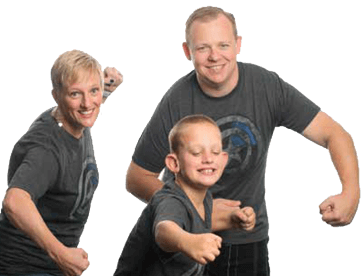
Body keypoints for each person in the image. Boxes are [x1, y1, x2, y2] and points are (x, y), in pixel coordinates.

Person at [125, 6, 360, 276]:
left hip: (247, 238)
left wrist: (351, 192)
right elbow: (137, 177)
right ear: (187, 52)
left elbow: (336, 134)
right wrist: (196, 210)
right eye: (202, 48)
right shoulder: (177, 99)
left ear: (238, 45)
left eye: (223, 45)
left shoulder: (265, 86)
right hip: (185, 238)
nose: (214, 56)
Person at [0, 49, 124, 276]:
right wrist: (61, 253)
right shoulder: (47, 149)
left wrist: (106, 88)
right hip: (20, 267)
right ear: (56, 95)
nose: (88, 103)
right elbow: (15, 201)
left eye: (94, 91)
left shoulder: (71, 119)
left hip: (48, 266)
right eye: (75, 94)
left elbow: (85, 106)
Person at [114, 115, 255, 275]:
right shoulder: (170, 200)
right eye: (196, 152)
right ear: (174, 163)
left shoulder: (204, 198)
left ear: (223, 160)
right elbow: (164, 231)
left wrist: (233, 219)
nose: (208, 159)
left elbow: (195, 222)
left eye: (215, 152)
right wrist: (187, 241)